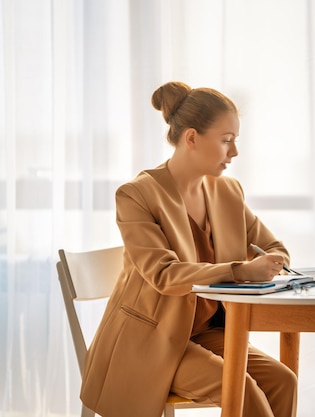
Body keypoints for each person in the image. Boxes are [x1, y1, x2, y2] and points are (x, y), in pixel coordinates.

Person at [79, 81, 298, 417]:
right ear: (192, 138)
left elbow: (273, 246)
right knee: (242, 391)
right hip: (152, 342)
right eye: (226, 141)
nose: (234, 152)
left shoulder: (227, 192)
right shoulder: (137, 195)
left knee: (283, 381)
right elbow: (163, 274)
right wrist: (241, 271)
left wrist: (273, 261)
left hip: (206, 332)